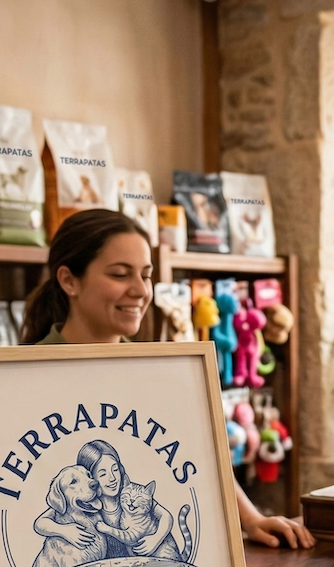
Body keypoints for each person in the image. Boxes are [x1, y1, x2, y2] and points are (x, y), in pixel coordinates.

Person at [21, 208, 314, 549]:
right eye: (120, 274)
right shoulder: (22, 377)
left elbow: (202, 450)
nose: (141, 291)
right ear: (69, 280)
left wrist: (251, 519)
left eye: (145, 276)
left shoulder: (161, 373)